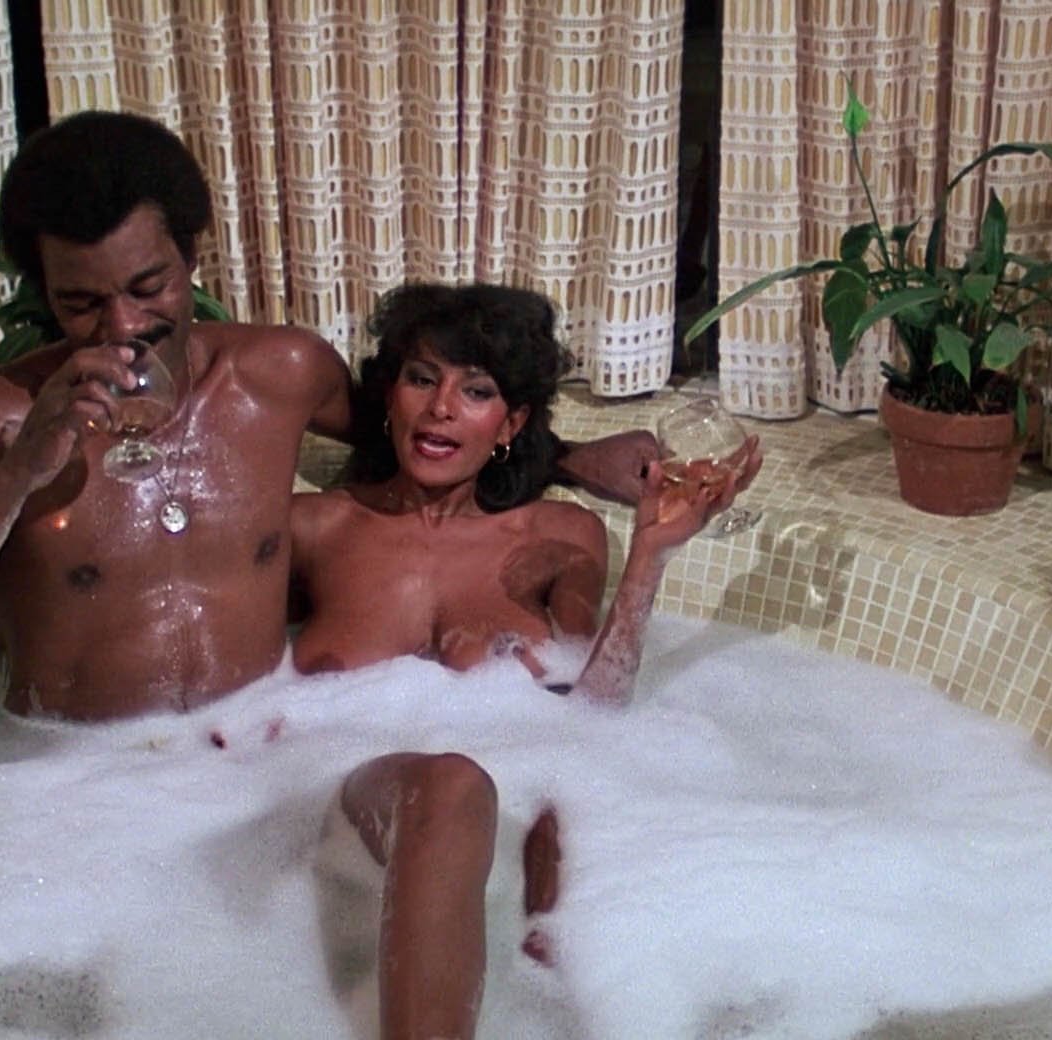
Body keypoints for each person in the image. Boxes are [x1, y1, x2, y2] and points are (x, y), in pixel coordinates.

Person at [0, 111, 656, 721]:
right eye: (81, 303)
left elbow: (425, 432)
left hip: (260, 760)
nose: (123, 327)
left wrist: (571, 457)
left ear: (192, 256)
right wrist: (17, 475)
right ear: (44, 292)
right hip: (79, 785)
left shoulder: (280, 375)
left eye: (150, 287)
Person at [289, 282, 759, 1040]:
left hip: (507, 831)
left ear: (509, 424)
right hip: (343, 812)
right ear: (390, 397)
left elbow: (593, 717)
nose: (441, 408)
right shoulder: (314, 528)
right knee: (450, 784)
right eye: (421, 379)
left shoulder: (561, 535)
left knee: (539, 822)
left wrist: (648, 556)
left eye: (476, 392)